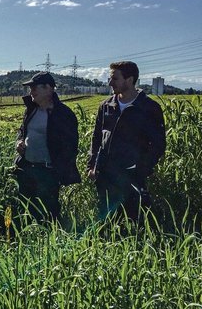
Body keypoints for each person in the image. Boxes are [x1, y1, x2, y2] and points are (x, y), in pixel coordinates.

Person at [87, 61, 166, 222]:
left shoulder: (149, 108)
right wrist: (92, 166)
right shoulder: (106, 106)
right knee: (106, 219)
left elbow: (158, 145)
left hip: (132, 176)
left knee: (132, 220)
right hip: (105, 174)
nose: (110, 83)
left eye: (114, 79)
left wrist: (141, 169)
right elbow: (96, 138)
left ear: (129, 80)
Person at [13, 72, 81, 222]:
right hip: (27, 169)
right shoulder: (31, 109)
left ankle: (48, 241)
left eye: (34, 88)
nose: (31, 92)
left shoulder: (63, 114)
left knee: (48, 213)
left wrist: (57, 170)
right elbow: (22, 131)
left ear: (49, 88)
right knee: (25, 209)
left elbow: (70, 147)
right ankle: (25, 239)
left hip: (48, 172)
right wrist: (19, 142)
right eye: (30, 89)